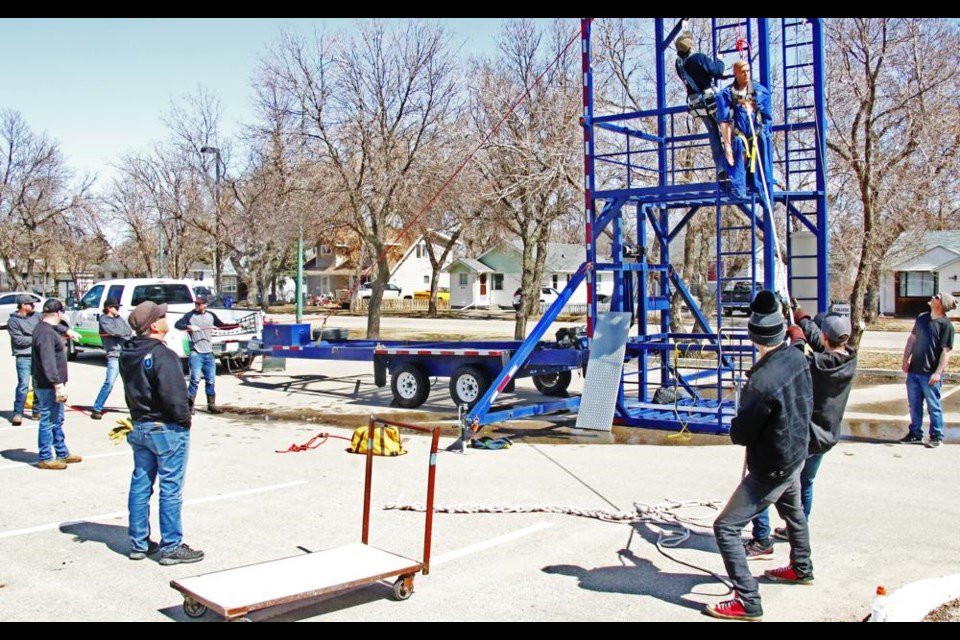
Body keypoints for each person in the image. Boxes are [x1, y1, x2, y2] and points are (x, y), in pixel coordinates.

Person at [705, 290, 814, 622]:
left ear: (753, 337)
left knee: (725, 527)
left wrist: (738, 417)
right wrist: (789, 309)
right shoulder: (797, 354)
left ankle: (748, 600)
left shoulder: (762, 383)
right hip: (797, 454)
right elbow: (799, 333)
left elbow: (742, 434)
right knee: (794, 515)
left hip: (772, 467)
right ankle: (801, 568)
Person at [743, 310, 858, 559]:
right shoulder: (848, 358)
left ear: (825, 337)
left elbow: (799, 353)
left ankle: (761, 540)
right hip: (825, 437)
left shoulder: (816, 364)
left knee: (761, 484)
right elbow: (818, 338)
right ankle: (797, 530)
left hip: (802, 438)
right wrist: (800, 313)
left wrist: (796, 336)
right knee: (804, 484)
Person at [119, 300, 203, 565]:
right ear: (154, 325)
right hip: (165, 428)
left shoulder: (128, 351)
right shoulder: (162, 355)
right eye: (163, 316)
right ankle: (171, 546)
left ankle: (139, 543)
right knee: (170, 488)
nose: (167, 319)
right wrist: (184, 419)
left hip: (140, 425)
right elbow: (174, 395)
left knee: (141, 484)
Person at [899, 291, 956, 448]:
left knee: (933, 406)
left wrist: (938, 373)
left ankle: (936, 436)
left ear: (942, 304)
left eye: (937, 297)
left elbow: (946, 351)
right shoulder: (922, 318)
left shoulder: (946, 326)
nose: (933, 297)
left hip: (930, 374)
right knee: (914, 404)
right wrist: (905, 360)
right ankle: (915, 434)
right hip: (914, 371)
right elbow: (912, 339)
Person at [32, 298, 82, 470]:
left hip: (52, 383)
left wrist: (68, 330)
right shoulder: (45, 333)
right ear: (59, 313)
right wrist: (57, 384)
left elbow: (56, 327)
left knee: (57, 419)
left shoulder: (45, 327)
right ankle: (45, 457)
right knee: (48, 420)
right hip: (48, 384)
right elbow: (48, 361)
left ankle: (62, 452)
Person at [716, 59, 774, 200]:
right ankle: (738, 187)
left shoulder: (760, 91)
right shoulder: (727, 93)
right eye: (743, 71)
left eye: (748, 71)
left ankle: (762, 189)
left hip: (757, 135)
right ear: (736, 73)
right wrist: (727, 146)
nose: (746, 74)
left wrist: (754, 107)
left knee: (762, 155)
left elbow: (767, 118)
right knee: (737, 147)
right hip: (740, 135)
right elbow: (724, 121)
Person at [674, 31, 727, 178]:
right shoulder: (698, 58)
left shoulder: (679, 65)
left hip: (697, 103)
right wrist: (720, 60)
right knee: (727, 129)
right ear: (690, 46)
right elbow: (717, 71)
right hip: (710, 100)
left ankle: (721, 168)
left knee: (713, 133)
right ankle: (735, 164)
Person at [174, 295, 227, 414]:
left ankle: (211, 405)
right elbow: (177, 325)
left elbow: (222, 325)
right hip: (196, 353)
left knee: (211, 380)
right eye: (196, 304)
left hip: (209, 353)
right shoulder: (190, 315)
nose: (196, 306)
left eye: (199, 304)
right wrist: (189, 327)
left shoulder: (211, 315)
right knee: (195, 379)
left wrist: (238, 325)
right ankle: (189, 406)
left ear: (205, 305)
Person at [90, 298, 133, 420]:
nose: (117, 309)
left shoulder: (118, 318)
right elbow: (114, 331)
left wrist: (122, 327)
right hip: (114, 355)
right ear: (109, 308)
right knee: (109, 383)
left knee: (129, 385)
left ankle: (134, 409)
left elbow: (128, 330)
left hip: (124, 355)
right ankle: (97, 408)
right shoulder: (104, 320)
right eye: (116, 307)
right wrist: (123, 332)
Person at [8, 295, 41, 425]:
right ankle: (18, 413)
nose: (33, 306)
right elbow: (19, 340)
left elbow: (45, 329)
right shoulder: (13, 321)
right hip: (23, 356)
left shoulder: (37, 316)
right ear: (23, 306)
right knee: (23, 385)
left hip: (37, 354)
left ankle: (37, 411)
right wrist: (37, 338)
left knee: (38, 384)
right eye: (30, 304)